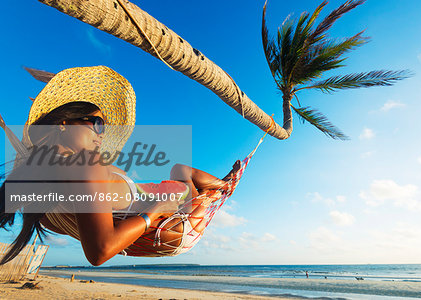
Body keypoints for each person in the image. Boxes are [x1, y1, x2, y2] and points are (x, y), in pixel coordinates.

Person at [0, 66, 241, 266]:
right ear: (64, 123)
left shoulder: (49, 196)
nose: (101, 133)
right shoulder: (85, 165)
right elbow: (99, 251)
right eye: (96, 123)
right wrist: (154, 210)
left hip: (163, 234)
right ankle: (224, 186)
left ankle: (220, 187)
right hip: (176, 225)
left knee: (184, 177)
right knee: (186, 175)